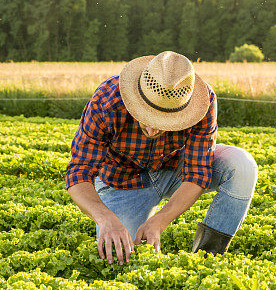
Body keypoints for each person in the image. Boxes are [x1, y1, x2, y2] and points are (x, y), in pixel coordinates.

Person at [65, 51, 258, 265]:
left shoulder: (203, 103)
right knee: (121, 257)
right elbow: (79, 171)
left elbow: (197, 172)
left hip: (174, 169)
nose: (151, 128)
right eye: (145, 114)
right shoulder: (107, 101)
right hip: (121, 183)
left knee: (242, 165)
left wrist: (160, 220)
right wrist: (105, 217)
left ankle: (207, 259)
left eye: (163, 120)